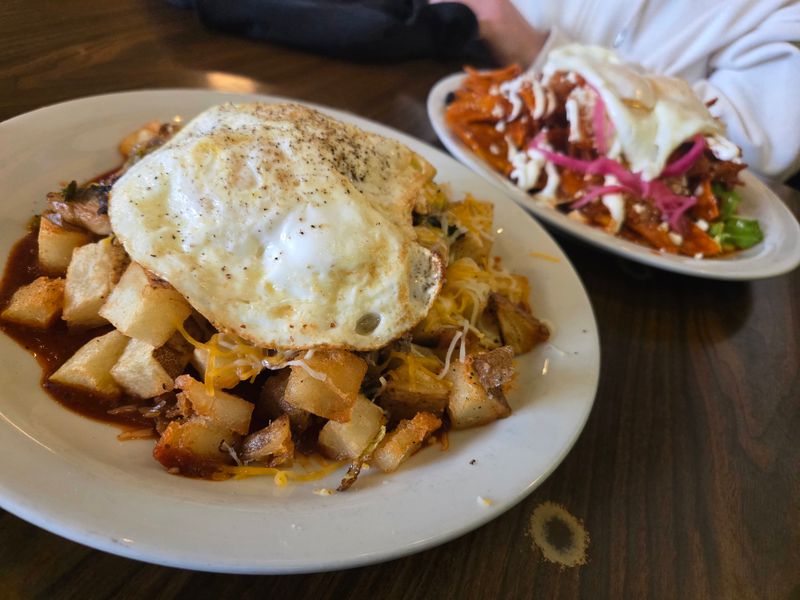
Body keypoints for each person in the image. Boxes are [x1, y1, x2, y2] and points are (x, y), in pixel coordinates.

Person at [433, 0, 800, 182]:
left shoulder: (778, 12)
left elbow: (753, 153)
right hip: (445, 136)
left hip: (632, 263)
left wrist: (538, 52)